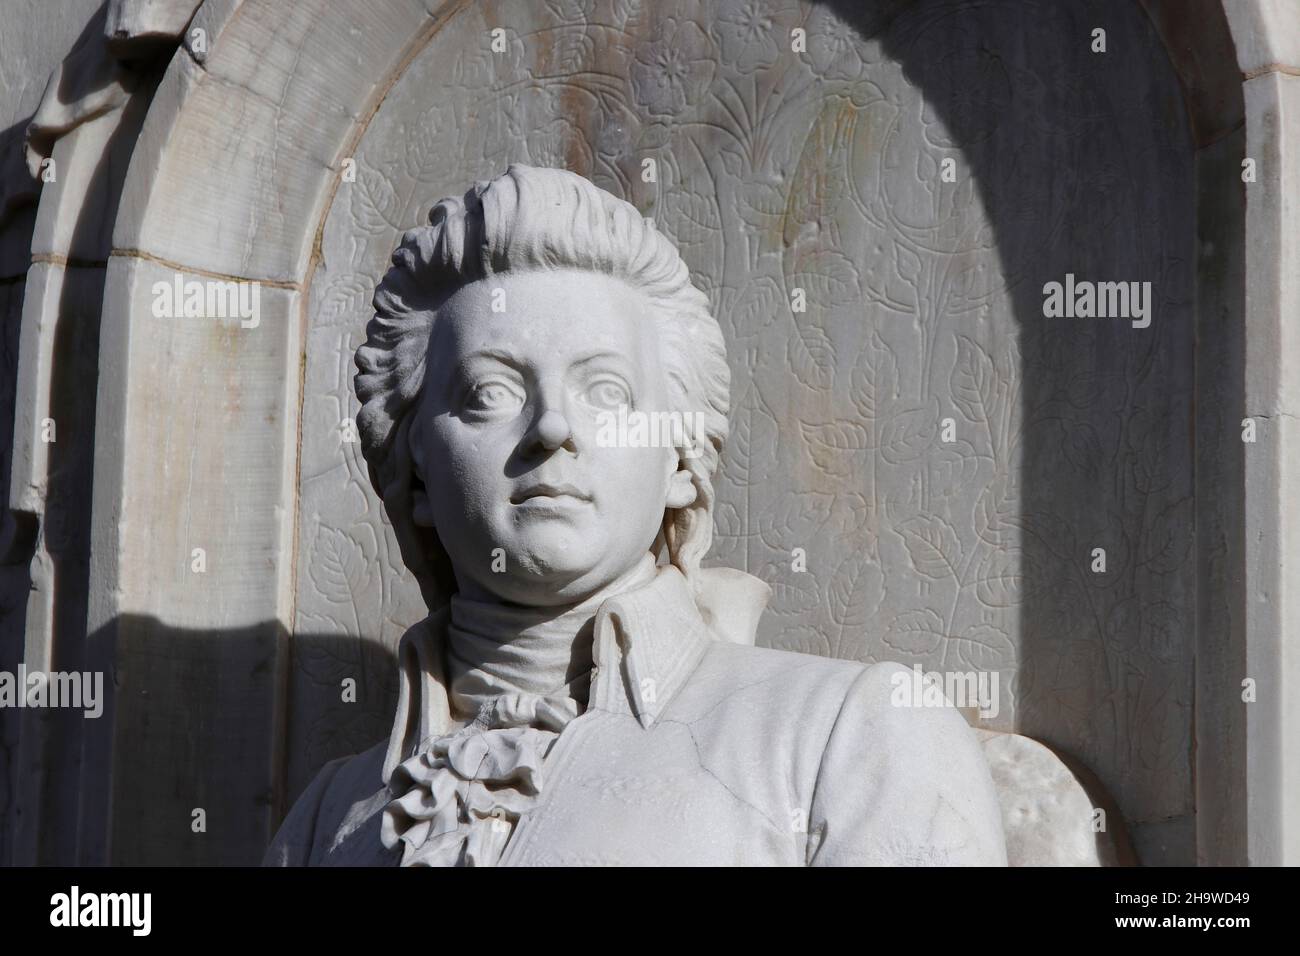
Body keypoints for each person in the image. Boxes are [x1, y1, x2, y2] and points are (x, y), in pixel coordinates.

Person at [264, 163, 1007, 866]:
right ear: (415, 470)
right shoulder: (323, 820)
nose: (552, 428)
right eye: (489, 393)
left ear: (680, 461)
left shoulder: (849, 737)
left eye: (608, 392)